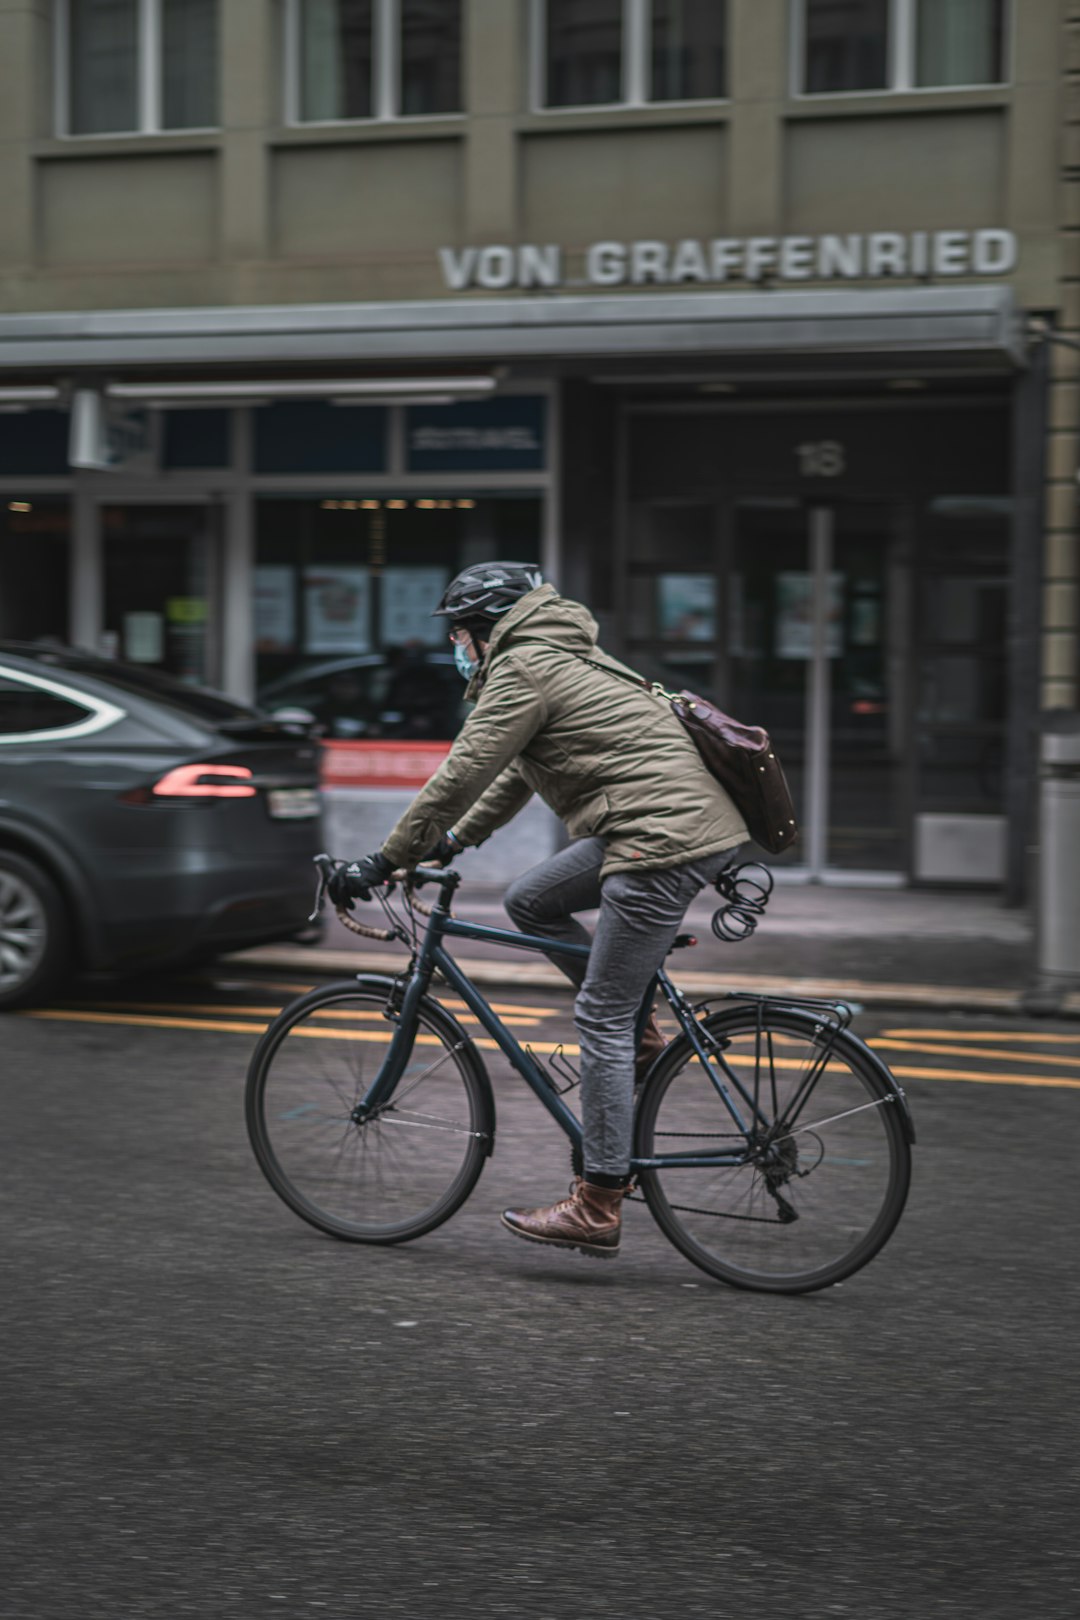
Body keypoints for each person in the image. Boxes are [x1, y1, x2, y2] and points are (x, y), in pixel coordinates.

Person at [330, 562, 747, 1261]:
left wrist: (381, 860)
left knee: (600, 1017)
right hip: (668, 827)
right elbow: (515, 773)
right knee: (531, 899)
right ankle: (640, 1037)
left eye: (461, 634)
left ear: (485, 628)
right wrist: (453, 843)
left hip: (658, 841)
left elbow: (461, 772)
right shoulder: (561, 654)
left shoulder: (525, 667)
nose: (458, 647)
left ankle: (597, 1203)